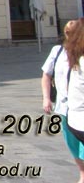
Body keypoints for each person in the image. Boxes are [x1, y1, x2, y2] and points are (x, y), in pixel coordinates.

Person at [46, 19, 83, 183]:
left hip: (80, 110)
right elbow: (46, 75)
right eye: (66, 32)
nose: (67, 35)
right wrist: (47, 98)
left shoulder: (80, 54)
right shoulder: (58, 51)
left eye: (71, 32)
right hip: (66, 107)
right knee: (72, 144)